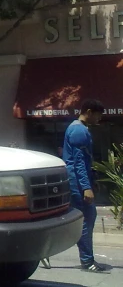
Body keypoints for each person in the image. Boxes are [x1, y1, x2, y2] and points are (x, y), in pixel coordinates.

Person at [62, 99, 110, 273]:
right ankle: (87, 261)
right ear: (89, 112)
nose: (99, 118)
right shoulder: (79, 131)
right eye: (98, 115)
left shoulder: (78, 129)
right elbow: (79, 162)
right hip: (76, 181)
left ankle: (86, 257)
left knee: (85, 218)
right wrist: (85, 187)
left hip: (77, 180)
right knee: (86, 218)